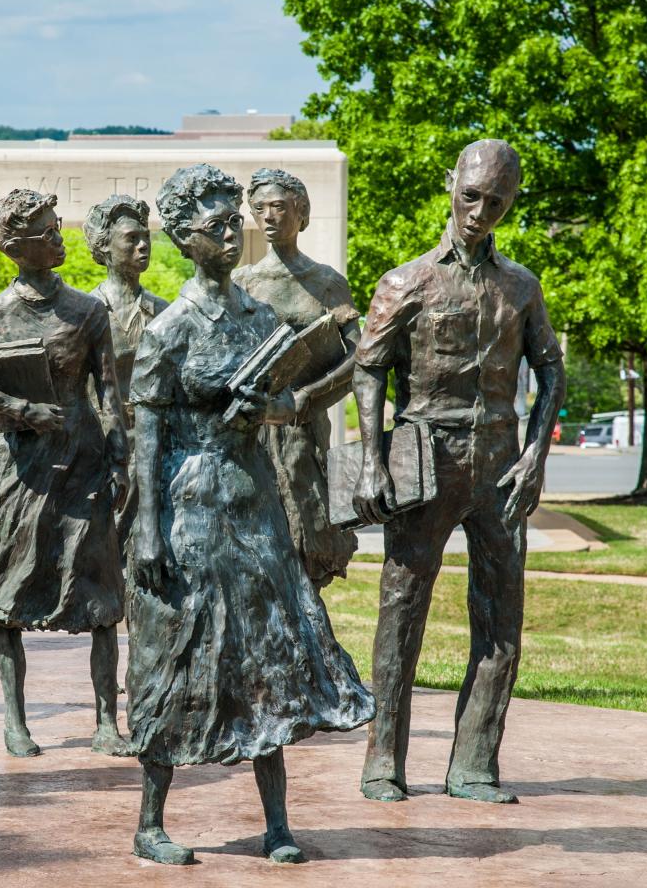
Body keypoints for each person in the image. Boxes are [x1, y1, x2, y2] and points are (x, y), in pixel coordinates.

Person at [126, 164, 374, 866]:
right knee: (177, 654)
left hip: (255, 499)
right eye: (216, 226)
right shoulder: (169, 329)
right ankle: (150, 822)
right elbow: (147, 438)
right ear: (184, 239)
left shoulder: (261, 318)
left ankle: (277, 824)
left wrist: (273, 406)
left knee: (270, 654)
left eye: (234, 222)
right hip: (189, 505)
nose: (232, 234)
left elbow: (300, 394)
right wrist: (147, 530)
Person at [353, 139, 566, 805]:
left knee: (501, 617)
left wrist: (536, 456)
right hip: (424, 457)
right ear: (451, 184)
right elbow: (369, 369)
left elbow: (551, 370)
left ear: (511, 204)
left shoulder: (521, 286)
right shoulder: (405, 281)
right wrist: (370, 460)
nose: (480, 212)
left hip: (501, 466)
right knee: (401, 611)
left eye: (496, 202)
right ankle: (383, 763)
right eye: (471, 195)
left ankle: (474, 765)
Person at [0, 189, 134, 759]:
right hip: (16, 467)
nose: (58, 239)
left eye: (58, 227)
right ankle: (15, 720)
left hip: (81, 461)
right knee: (6, 595)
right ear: (16, 247)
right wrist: (19, 407)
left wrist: (120, 459)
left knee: (101, 595)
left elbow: (110, 393)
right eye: (47, 232)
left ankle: (107, 722)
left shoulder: (87, 311)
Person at [234, 168, 361, 590]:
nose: (268, 216)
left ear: (301, 211)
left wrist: (309, 394)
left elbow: (360, 356)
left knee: (308, 537)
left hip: (304, 427)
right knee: (254, 545)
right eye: (259, 209)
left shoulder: (327, 282)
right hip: (251, 432)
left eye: (278, 206)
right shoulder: (242, 282)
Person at [83, 194, 167, 550]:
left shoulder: (165, 312)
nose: (143, 245)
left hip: (155, 446)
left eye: (146, 237)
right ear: (104, 246)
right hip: (100, 449)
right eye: (132, 238)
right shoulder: (84, 312)